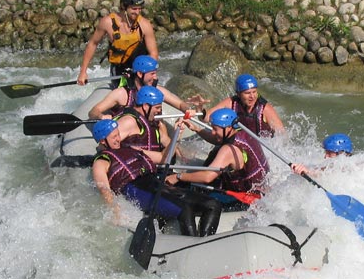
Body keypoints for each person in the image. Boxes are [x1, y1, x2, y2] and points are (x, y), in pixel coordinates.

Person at [91, 119, 222, 237]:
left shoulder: (130, 148)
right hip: (137, 190)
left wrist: (176, 136)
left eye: (118, 134)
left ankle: (205, 243)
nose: (119, 139)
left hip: (156, 183)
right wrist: (116, 212)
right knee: (185, 209)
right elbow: (104, 190)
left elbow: (163, 158)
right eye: (114, 137)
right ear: (103, 140)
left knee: (213, 205)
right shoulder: (101, 162)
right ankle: (193, 251)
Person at [166, 108, 272, 211]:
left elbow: (207, 177)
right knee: (216, 150)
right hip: (261, 190)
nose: (212, 132)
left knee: (185, 191)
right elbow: (217, 139)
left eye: (215, 129)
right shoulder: (243, 133)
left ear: (228, 128)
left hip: (245, 199)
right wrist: (196, 129)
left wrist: (178, 176)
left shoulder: (228, 150)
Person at [77, 0, 159, 87]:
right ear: (123, 6)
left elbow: (153, 53)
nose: (137, 12)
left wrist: (148, 72)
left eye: (139, 9)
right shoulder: (107, 22)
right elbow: (93, 44)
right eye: (134, 8)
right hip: (119, 71)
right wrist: (83, 72)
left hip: (141, 71)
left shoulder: (145, 25)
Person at [88, 55, 203, 119]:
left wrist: (190, 109)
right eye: (152, 73)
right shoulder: (122, 94)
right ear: (139, 74)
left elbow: (180, 104)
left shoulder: (157, 90)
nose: (155, 77)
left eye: (155, 73)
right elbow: (93, 111)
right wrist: (101, 117)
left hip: (154, 135)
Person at [203, 74, 285, 137]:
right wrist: (200, 108)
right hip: (240, 143)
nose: (252, 96)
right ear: (238, 94)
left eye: (254, 92)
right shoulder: (231, 102)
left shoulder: (265, 109)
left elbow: (282, 135)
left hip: (261, 147)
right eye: (247, 93)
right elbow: (207, 118)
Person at [115, 86, 170, 151]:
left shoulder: (156, 124)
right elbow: (107, 144)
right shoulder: (128, 122)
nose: (159, 111)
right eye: (157, 107)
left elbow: (171, 148)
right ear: (145, 106)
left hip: (149, 160)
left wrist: (178, 133)